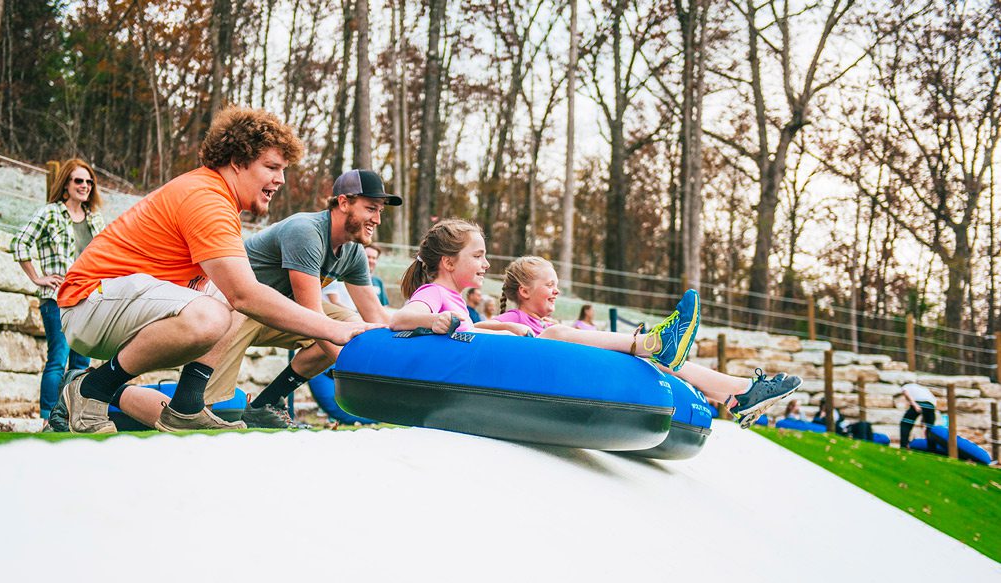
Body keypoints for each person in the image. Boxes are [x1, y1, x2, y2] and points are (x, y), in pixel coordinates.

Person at [55, 107, 378, 433]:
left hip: (118, 303)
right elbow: (245, 296)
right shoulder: (206, 197)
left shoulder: (219, 199)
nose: (280, 179)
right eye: (271, 167)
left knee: (229, 294)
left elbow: (240, 292)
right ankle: (91, 388)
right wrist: (329, 329)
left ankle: (186, 406)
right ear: (238, 162)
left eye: (283, 170)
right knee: (222, 307)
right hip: (87, 303)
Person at [494, 256, 802, 428]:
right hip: (544, 379)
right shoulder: (518, 322)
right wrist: (517, 332)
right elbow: (483, 330)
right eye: (549, 285)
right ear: (524, 291)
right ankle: (654, 341)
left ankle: (739, 393)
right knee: (555, 334)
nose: (556, 291)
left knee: (663, 362)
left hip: (578, 373)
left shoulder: (548, 324)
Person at [195, 168, 398, 428]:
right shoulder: (306, 231)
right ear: (344, 202)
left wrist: (401, 359)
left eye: (380, 210)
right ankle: (134, 397)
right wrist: (358, 374)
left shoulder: (354, 252)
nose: (378, 219)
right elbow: (314, 318)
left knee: (352, 325)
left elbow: (377, 318)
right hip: (236, 309)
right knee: (206, 413)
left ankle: (266, 402)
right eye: (371, 208)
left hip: (281, 314)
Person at [390, 221, 700, 380]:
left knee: (555, 333)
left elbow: (469, 333)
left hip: (481, 363)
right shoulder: (434, 293)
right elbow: (400, 319)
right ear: (448, 262)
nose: (486, 264)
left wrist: (505, 330)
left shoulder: (455, 300)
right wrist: (433, 320)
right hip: (471, 372)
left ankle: (652, 346)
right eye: (478, 256)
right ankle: (652, 343)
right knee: (552, 334)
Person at [11, 158, 103, 430]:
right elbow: (20, 243)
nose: (84, 186)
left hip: (89, 300)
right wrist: (37, 278)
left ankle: (74, 417)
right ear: (65, 184)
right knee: (58, 358)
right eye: (78, 181)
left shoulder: (96, 220)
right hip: (56, 299)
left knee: (82, 362)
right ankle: (49, 418)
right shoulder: (50, 213)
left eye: (88, 182)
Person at [899, 382, 937, 448]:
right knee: (930, 428)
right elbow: (932, 402)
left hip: (919, 403)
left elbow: (906, 393)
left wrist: (914, 405)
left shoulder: (906, 386)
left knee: (905, 423)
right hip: (931, 406)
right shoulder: (922, 388)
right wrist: (923, 419)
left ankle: (904, 446)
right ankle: (932, 449)